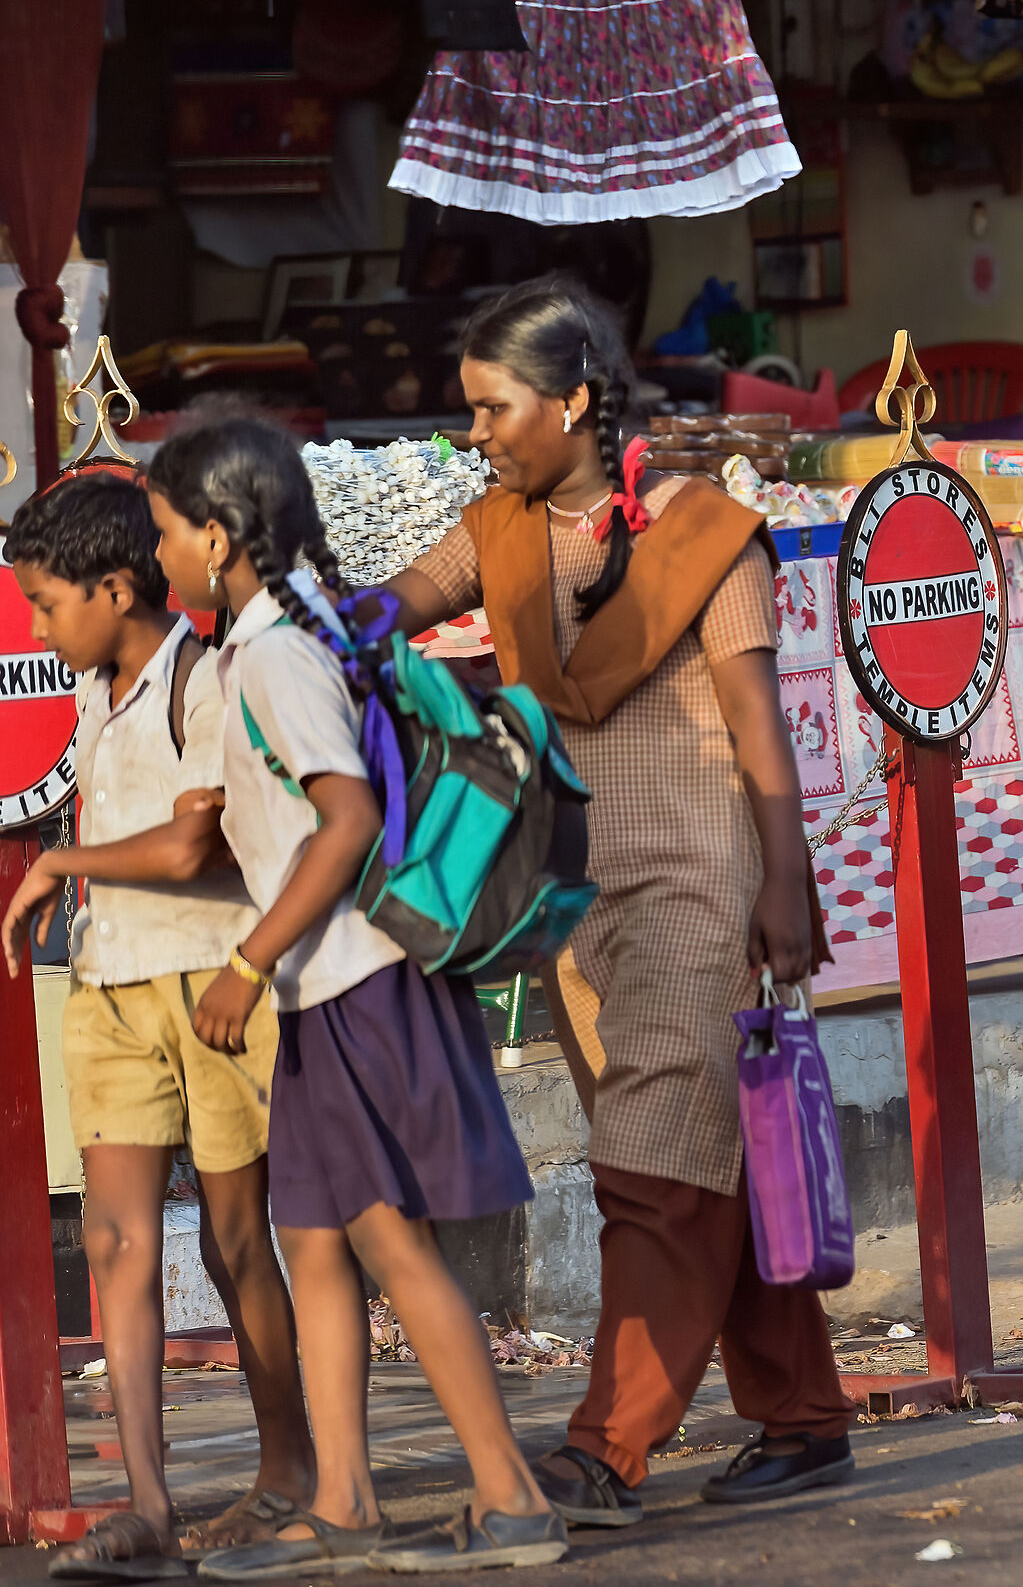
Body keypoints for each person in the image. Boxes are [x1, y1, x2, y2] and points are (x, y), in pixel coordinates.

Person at [384, 276, 852, 1527]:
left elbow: (762, 726)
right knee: (701, 1151)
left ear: (575, 401)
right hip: (573, 898)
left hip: (702, 884)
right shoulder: (498, 527)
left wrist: (788, 886)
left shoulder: (710, 529)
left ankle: (606, 1450)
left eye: (491, 408)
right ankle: (804, 1418)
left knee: (652, 1167)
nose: (473, 434)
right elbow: (400, 602)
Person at [139, 419, 566, 1578]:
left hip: (350, 976)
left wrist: (243, 961)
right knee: (315, 1237)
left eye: (168, 531)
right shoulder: (299, 626)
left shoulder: (274, 651)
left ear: (219, 537)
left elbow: (349, 818)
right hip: (328, 979)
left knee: (386, 1237)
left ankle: (512, 1497)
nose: (159, 553)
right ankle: (342, 1501)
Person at [1, 469, 314, 1580]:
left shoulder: (208, 679)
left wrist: (61, 864)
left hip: (214, 984)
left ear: (119, 587)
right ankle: (145, 1505)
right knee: (115, 1242)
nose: (37, 624)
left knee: (239, 1245)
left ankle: (288, 1471)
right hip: (111, 981)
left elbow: (198, 847)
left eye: (48, 602)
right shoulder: (91, 688)